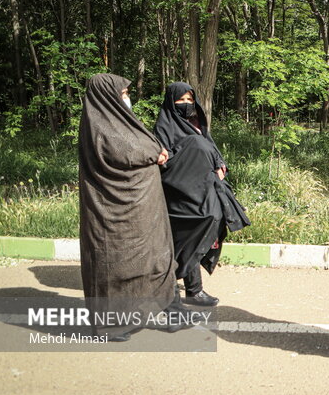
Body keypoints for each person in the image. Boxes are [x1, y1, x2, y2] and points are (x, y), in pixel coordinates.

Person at [79, 73, 188, 342]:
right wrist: (154, 153)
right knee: (118, 265)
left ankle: (174, 311)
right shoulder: (101, 123)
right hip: (116, 215)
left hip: (144, 210)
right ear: (108, 96)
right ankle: (111, 325)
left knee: (158, 256)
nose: (127, 99)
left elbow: (142, 142)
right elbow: (122, 150)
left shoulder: (120, 120)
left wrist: (155, 150)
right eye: (124, 94)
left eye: (127, 93)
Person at [154, 82, 250, 307]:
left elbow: (210, 149)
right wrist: (192, 150)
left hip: (205, 190)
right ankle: (175, 287)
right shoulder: (163, 127)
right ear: (171, 101)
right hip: (180, 195)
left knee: (209, 226)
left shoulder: (196, 124)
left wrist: (219, 164)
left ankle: (193, 290)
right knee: (188, 237)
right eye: (181, 100)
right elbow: (166, 162)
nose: (187, 104)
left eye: (190, 100)